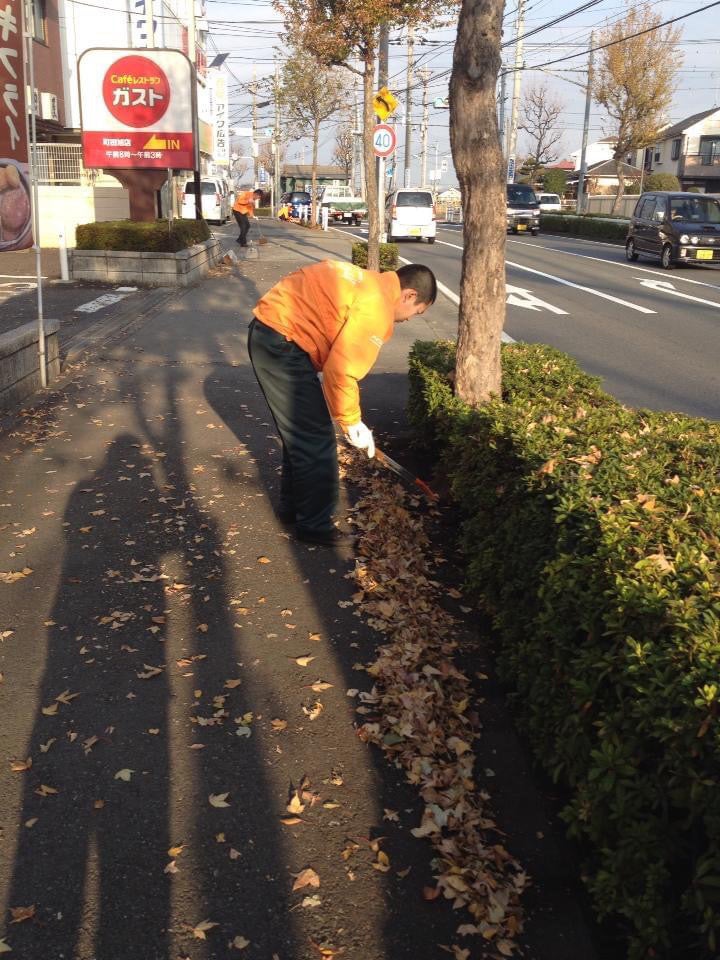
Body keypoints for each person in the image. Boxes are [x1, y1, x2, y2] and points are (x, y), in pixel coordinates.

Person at [247, 259, 437, 546]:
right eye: (416, 311)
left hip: (274, 331)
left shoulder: (367, 281)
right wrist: (351, 422)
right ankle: (314, 526)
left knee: (301, 434)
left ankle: (294, 508)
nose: (409, 318)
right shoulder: (377, 307)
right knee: (317, 439)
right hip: (283, 342)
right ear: (409, 295)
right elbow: (342, 369)